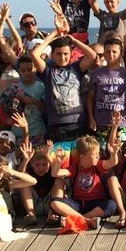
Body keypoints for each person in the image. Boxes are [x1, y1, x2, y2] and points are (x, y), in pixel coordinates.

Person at [31, 13, 97, 164]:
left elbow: (92, 55)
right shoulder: (48, 71)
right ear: (52, 55)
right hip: (56, 126)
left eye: (66, 54)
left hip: (78, 123)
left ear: (70, 54)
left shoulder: (76, 68)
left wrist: (72, 39)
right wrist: (54, 34)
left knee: (78, 162)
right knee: (61, 163)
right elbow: (35, 53)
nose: (62, 57)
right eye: (58, 54)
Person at [50, 135, 120, 228]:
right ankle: (87, 220)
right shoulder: (74, 168)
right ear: (82, 157)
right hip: (78, 204)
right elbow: (55, 173)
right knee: (54, 203)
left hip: (96, 204)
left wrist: (114, 153)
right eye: (94, 154)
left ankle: (81, 218)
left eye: (98, 153)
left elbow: (112, 162)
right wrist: (58, 162)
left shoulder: (98, 166)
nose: (98, 156)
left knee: (111, 205)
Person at [87, 37, 126, 154]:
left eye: (114, 51)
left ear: (121, 53)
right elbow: (90, 98)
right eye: (107, 51)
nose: (110, 54)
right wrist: (91, 118)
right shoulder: (97, 73)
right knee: (103, 154)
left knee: (120, 153)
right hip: (102, 121)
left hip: (122, 121)